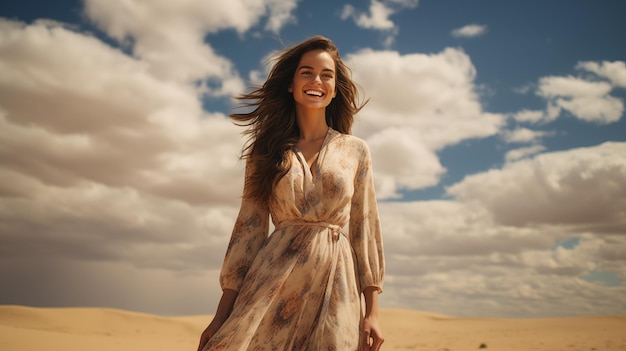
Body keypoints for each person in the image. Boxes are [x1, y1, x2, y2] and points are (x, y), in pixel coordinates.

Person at [198, 35, 385, 351]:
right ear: (291, 84)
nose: (317, 80)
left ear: (335, 88)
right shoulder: (266, 152)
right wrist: (221, 316)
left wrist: (373, 312)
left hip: (336, 282)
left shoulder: (355, 150)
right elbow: (249, 230)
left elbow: (364, 229)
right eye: (307, 72)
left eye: (327, 75)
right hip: (272, 278)